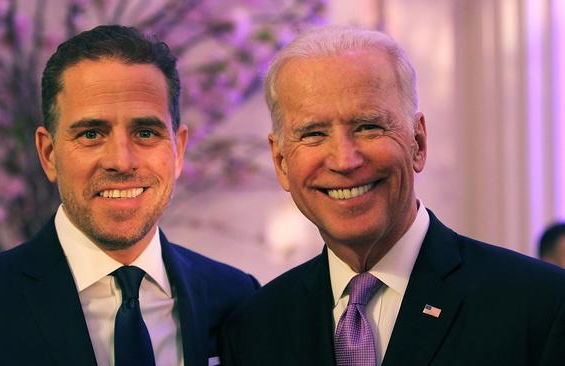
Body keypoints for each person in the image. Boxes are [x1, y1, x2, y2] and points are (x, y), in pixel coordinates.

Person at [220, 26, 565, 366]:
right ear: (280, 161)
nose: (345, 160)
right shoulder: (254, 328)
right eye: (314, 133)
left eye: (368, 126)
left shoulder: (541, 306)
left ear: (418, 142)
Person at [0, 25, 258, 366]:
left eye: (145, 132)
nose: (121, 161)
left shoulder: (237, 299)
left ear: (178, 150)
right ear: (48, 154)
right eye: (92, 133)